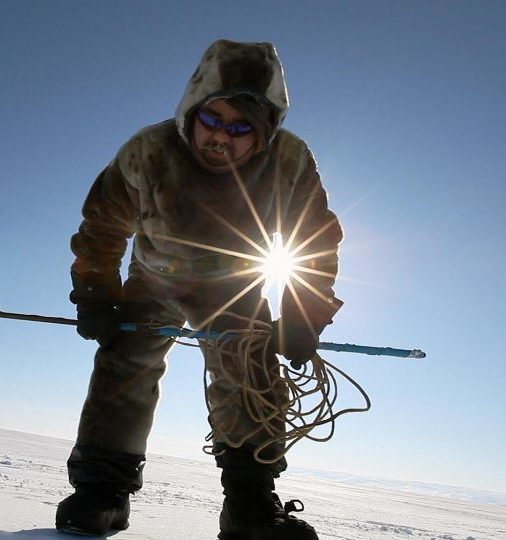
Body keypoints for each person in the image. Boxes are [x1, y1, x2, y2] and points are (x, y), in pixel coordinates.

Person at [56, 39, 343, 540]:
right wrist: (96, 293)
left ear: (264, 132)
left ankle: (250, 506)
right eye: (213, 120)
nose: (221, 138)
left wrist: (302, 313)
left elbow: (314, 237)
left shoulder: (289, 161)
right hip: (154, 279)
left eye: (240, 129)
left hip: (233, 285)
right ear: (193, 108)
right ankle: (102, 492)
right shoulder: (148, 150)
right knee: (125, 362)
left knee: (250, 369)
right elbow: (102, 226)